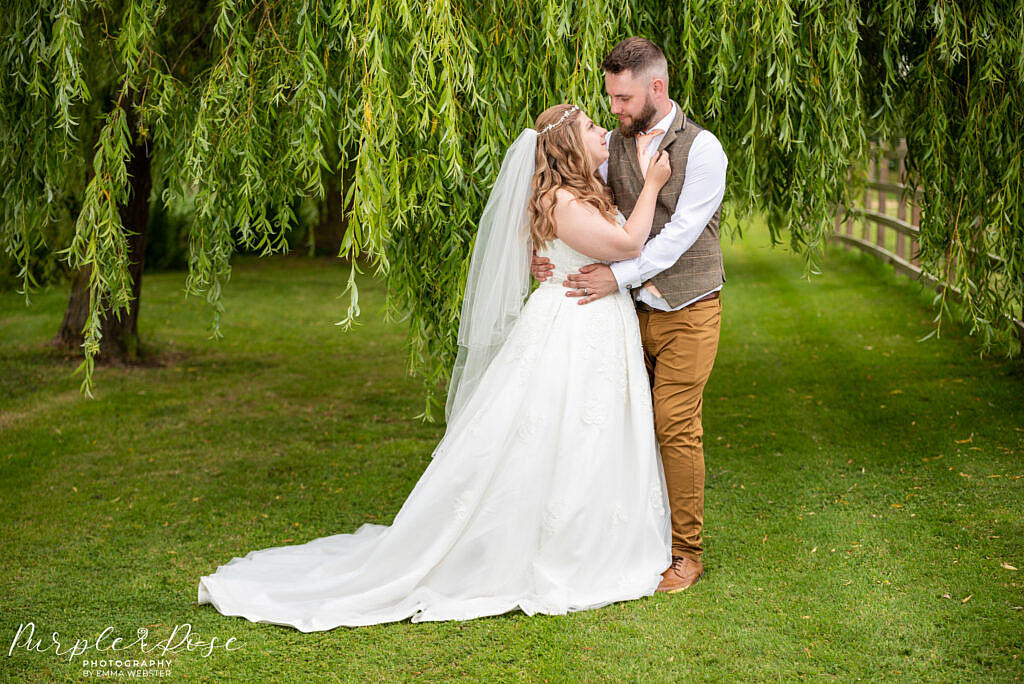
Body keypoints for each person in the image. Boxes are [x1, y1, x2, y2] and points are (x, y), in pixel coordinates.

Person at [196, 103, 675, 631]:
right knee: (557, 430)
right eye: (590, 128)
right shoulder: (561, 198)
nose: (603, 131)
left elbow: (559, 246)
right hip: (573, 327)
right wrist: (653, 184)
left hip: (595, 322)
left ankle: (597, 534)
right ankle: (551, 546)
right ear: (567, 148)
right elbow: (628, 243)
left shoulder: (582, 189)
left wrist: (550, 257)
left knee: (592, 432)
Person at [532, 37, 727, 593]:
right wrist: (540, 247)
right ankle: (631, 535)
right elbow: (573, 202)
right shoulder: (612, 144)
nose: (614, 109)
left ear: (655, 88)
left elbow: (678, 235)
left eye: (622, 98)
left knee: (674, 424)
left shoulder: (704, 149)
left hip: (688, 308)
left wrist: (615, 277)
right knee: (624, 425)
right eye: (611, 99)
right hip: (624, 316)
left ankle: (686, 553)